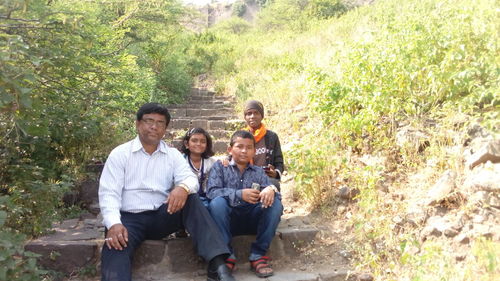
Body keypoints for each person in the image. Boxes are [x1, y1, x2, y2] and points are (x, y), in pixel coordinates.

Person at [98, 103, 235, 281]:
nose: (154, 127)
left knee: (192, 200)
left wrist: (182, 188)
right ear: (138, 124)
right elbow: (109, 193)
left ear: (165, 129)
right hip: (129, 219)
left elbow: (189, 178)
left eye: (160, 123)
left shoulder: (172, 155)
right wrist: (114, 223)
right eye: (149, 121)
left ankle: (219, 267)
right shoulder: (120, 154)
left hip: (162, 215)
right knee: (115, 244)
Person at [207, 130, 283, 278]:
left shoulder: (258, 172)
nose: (244, 151)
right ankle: (227, 255)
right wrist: (239, 194)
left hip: (252, 219)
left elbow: (272, 192)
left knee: (275, 204)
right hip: (227, 220)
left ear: (254, 151)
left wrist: (271, 189)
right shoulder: (220, 167)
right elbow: (212, 192)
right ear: (230, 149)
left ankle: (258, 255)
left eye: (249, 147)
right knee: (217, 203)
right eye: (239, 146)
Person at [243, 100, 284, 190]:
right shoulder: (240, 137)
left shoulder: (272, 137)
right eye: (249, 113)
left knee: (274, 185)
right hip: (244, 179)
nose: (252, 116)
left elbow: (279, 162)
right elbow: (232, 158)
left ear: (262, 116)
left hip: (266, 179)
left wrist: (275, 173)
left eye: (256, 113)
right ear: (245, 117)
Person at [180, 127, 217, 207]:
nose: (198, 144)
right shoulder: (180, 161)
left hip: (208, 198)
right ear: (187, 144)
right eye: (194, 141)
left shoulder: (212, 162)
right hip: (188, 199)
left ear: (207, 145)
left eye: (203, 141)